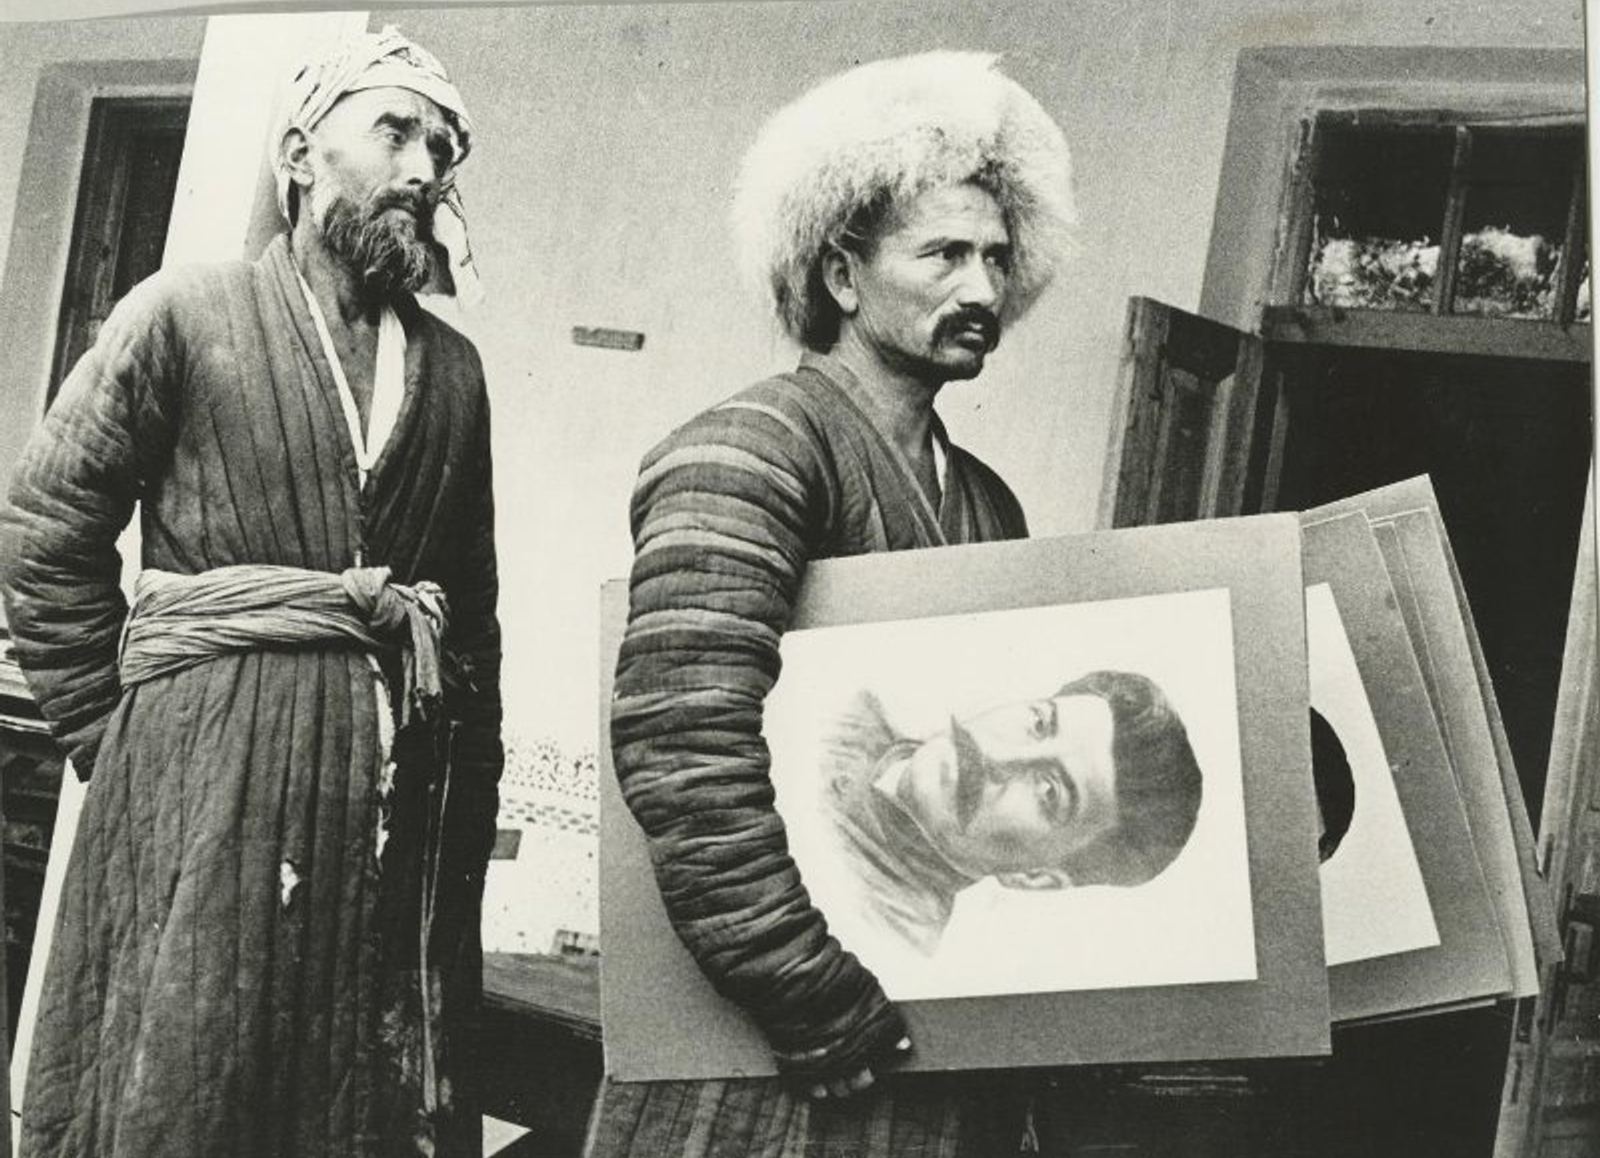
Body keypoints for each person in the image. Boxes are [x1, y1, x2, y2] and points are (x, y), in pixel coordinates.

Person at [0, 28, 501, 1158]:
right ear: (300, 154)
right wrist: (125, 736)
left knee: (352, 1103)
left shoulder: (455, 375)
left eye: (441, 148)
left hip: (390, 810)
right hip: (203, 786)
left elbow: (471, 612)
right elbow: (44, 533)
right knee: (186, 1077)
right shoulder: (184, 313)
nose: (423, 168)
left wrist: (462, 800)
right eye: (394, 132)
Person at [590, 50, 1076, 1158]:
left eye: (998, 258)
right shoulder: (752, 447)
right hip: (775, 1045)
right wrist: (802, 986)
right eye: (944, 254)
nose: (983, 291)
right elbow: (681, 743)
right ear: (843, 277)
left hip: (921, 1044)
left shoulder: (988, 501)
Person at [818, 670, 1203, 956]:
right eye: (1038, 723)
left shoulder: (879, 933)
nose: (996, 756)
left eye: (1048, 791)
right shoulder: (843, 710)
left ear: (1033, 878)